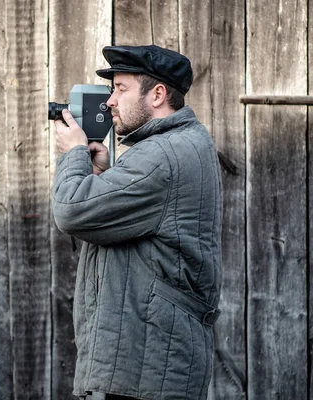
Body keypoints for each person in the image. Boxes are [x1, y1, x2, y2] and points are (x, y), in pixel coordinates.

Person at [51, 45, 222, 400]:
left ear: (157, 94)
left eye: (121, 88)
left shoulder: (163, 154)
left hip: (146, 370)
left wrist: (72, 155)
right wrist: (100, 173)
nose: (110, 101)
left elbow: (71, 209)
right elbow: (136, 233)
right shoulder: (176, 145)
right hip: (146, 364)